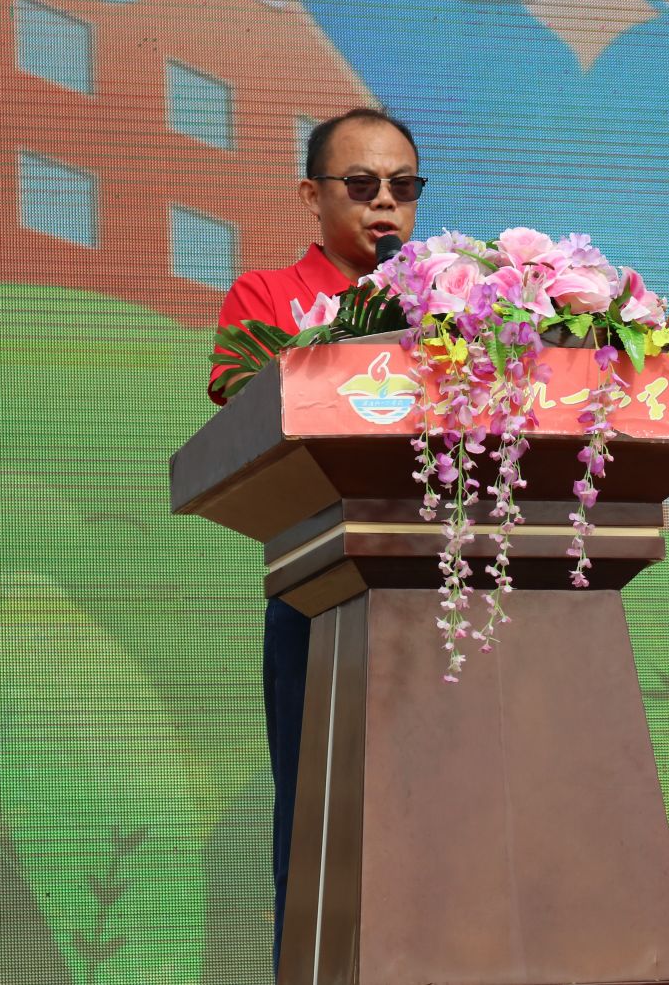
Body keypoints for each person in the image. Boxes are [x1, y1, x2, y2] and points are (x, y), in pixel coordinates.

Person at [207, 106, 425, 970]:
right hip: (320, 590)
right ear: (312, 193)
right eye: (362, 184)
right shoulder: (266, 296)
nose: (386, 204)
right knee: (318, 825)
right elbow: (245, 406)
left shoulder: (454, 304)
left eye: (403, 186)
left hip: (443, 588)